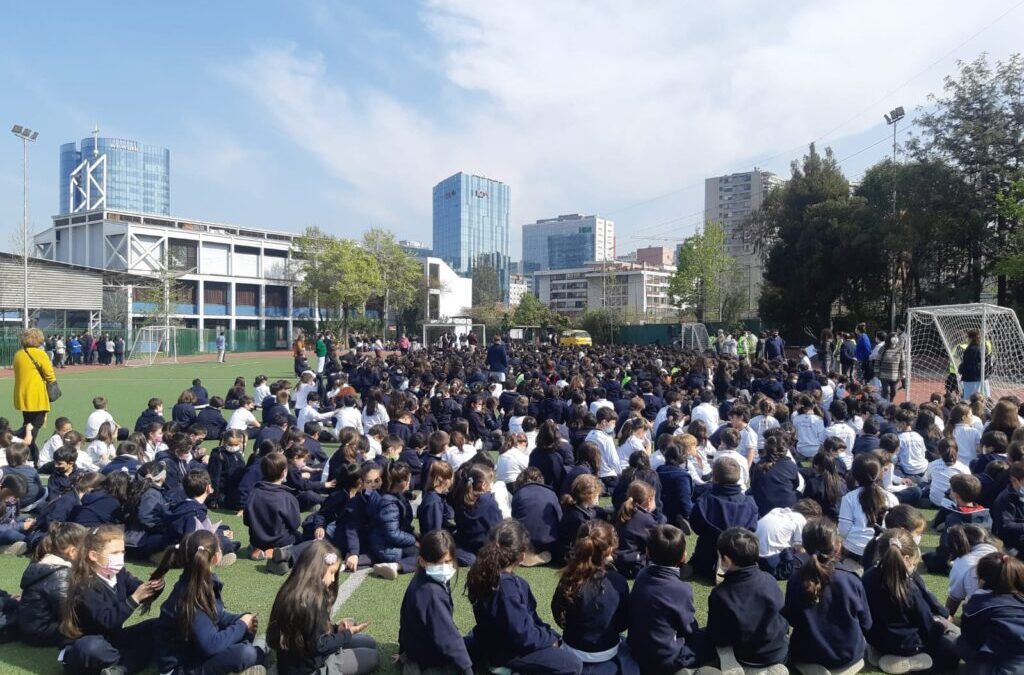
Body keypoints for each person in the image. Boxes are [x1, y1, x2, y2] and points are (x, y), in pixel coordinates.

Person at [465, 519, 583, 675]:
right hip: (506, 652)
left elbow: (530, 621)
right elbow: (523, 636)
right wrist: (550, 640)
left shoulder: (483, 573)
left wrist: (549, 635)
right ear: (521, 556)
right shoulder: (507, 588)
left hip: (492, 640)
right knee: (572, 664)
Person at [148, 529, 264, 674]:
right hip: (179, 669)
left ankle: (250, 654)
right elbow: (211, 645)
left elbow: (216, 615)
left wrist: (241, 619)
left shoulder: (198, 581)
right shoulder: (190, 595)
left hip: (195, 650)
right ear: (216, 557)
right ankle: (260, 651)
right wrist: (241, 625)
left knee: (243, 627)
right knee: (246, 653)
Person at [59, 524, 166, 674]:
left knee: (158, 625)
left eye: (122, 551)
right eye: (114, 552)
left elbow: (139, 589)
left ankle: (121, 667)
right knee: (91, 647)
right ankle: (127, 663)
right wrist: (134, 599)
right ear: (93, 556)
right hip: (85, 646)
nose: (120, 556)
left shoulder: (119, 573)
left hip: (113, 638)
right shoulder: (84, 585)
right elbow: (106, 620)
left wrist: (155, 585)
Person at [269, 539, 380, 675]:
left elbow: (309, 634)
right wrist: (347, 634)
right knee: (372, 656)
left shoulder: (289, 590)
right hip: (308, 668)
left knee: (369, 642)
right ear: (317, 570)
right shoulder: (313, 602)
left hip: (294, 661)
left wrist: (335, 629)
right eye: (332, 572)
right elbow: (319, 646)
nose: (333, 579)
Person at [862, 528, 959, 673]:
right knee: (952, 646)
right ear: (907, 559)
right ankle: (911, 659)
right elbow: (927, 626)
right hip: (908, 645)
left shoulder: (867, 576)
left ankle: (879, 653)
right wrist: (941, 626)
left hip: (876, 639)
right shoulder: (909, 588)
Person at [783, 518, 872, 674]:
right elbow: (866, 623)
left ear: (804, 546)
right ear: (837, 546)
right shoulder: (851, 579)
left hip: (806, 655)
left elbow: (791, 618)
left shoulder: (795, 580)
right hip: (848, 656)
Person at [551, 520, 635, 674]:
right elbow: (623, 623)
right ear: (609, 550)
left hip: (572, 648)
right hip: (607, 650)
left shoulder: (568, 578)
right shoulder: (618, 581)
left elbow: (558, 614)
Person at [706, 527, 790, 673]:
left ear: (726, 560)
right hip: (778, 651)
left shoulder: (721, 594)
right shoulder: (769, 579)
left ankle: (738, 667)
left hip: (748, 657)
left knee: (713, 642)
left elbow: (719, 636)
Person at [398, 529, 474, 674]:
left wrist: (403, 649)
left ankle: (410, 661)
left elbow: (405, 620)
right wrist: (467, 670)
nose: (445, 567)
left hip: (419, 649)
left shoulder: (422, 578)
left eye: (448, 561)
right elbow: (448, 639)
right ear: (422, 561)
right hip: (429, 657)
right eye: (439, 563)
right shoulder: (431, 592)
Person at [16, 521, 86, 647]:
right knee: (90, 627)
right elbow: (68, 611)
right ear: (73, 552)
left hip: (33, 626)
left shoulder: (48, 564)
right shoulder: (60, 573)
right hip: (40, 632)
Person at [689, 458, 759, 581]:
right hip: (738, 562)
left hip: (706, 562)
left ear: (714, 477)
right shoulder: (750, 503)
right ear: (738, 477)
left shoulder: (704, 500)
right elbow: (752, 529)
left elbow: (696, 527)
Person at [956, 551, 1024, 673]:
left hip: (1005, 668)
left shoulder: (980, 605)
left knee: (958, 641)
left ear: (982, 580)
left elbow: (970, 639)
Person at [839, 454, 898, 562]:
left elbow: (844, 531)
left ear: (854, 474)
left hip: (855, 550)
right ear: (880, 473)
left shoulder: (849, 498)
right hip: (883, 550)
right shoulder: (891, 498)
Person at [246, 452, 302, 565]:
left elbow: (247, 521)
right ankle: (275, 552)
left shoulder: (253, 492)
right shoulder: (287, 497)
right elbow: (295, 524)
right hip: (281, 541)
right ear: (284, 472)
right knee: (307, 541)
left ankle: (258, 550)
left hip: (257, 540)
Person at [367, 461, 419, 580]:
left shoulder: (396, 495)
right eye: (409, 479)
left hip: (388, 542)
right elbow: (392, 534)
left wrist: (414, 534)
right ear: (403, 482)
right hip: (386, 547)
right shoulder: (389, 503)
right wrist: (413, 540)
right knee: (427, 556)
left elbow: (402, 524)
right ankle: (395, 566)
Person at [12, 328, 56, 463]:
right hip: (36, 395)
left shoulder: (18, 354)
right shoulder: (40, 354)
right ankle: (24, 452)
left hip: (23, 395)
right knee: (34, 428)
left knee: (28, 424)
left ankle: (31, 455)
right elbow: (50, 374)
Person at [613, 480, 663, 579]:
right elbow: (656, 541)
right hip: (634, 564)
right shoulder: (646, 519)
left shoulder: (623, 511)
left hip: (617, 561)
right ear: (649, 501)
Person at [512, 468, 561, 562]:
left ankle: (528, 556)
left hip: (525, 543)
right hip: (550, 543)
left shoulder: (518, 495)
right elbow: (560, 519)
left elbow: (515, 520)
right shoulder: (551, 493)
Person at [453, 465, 503, 557]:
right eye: (491, 482)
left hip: (464, 546)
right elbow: (498, 527)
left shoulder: (461, 498)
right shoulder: (490, 502)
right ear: (484, 485)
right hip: (485, 548)